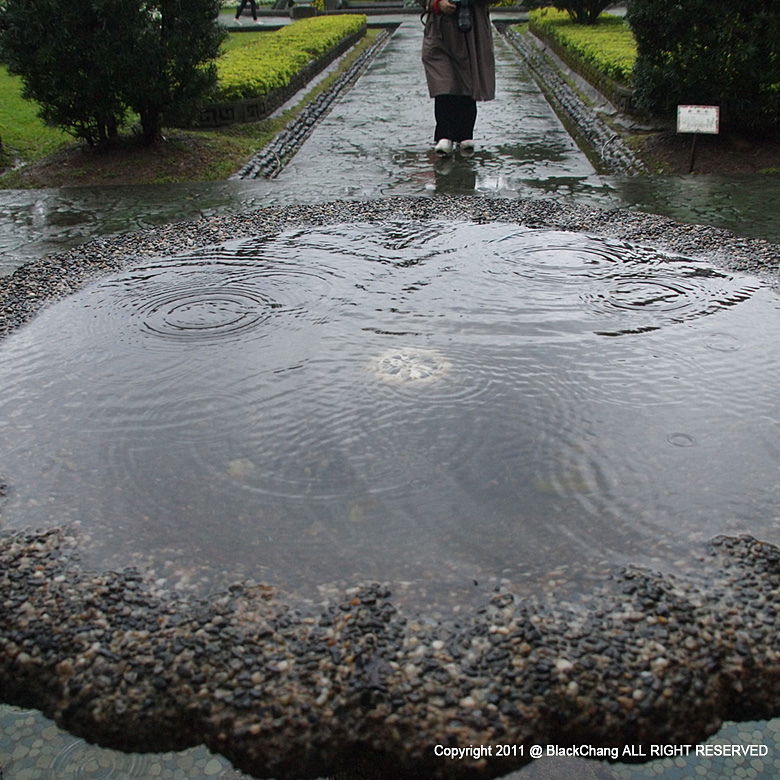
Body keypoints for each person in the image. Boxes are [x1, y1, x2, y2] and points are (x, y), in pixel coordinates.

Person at [421, 0, 496, 156]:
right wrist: (437, 3)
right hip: (439, 31)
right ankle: (444, 134)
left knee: (469, 76)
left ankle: (465, 133)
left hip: (472, 28)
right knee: (442, 80)